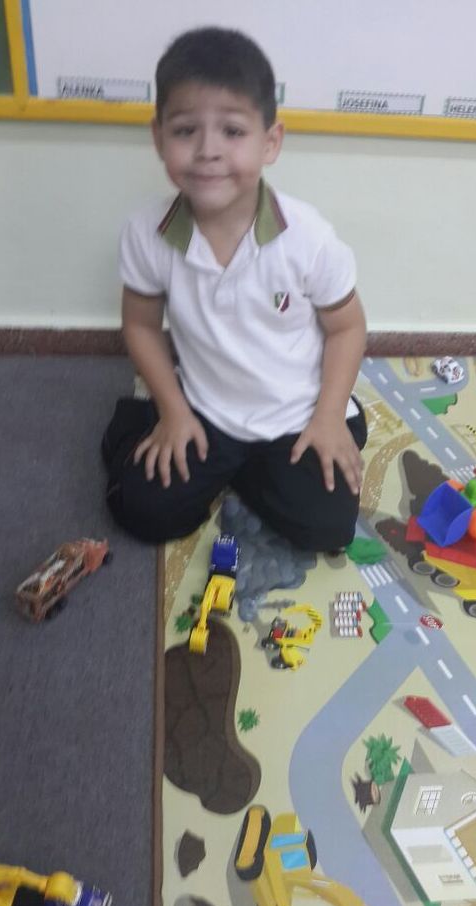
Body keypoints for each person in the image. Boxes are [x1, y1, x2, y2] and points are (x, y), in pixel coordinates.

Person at [101, 26, 368, 551]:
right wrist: (173, 411)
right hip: (205, 410)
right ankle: (141, 422)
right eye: (185, 131)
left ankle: (252, 465)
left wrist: (328, 417)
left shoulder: (308, 237)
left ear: (271, 142)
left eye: (232, 131)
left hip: (294, 413)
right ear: (158, 138)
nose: (208, 151)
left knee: (328, 528)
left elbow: (347, 327)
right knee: (140, 511)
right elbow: (140, 325)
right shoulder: (146, 232)